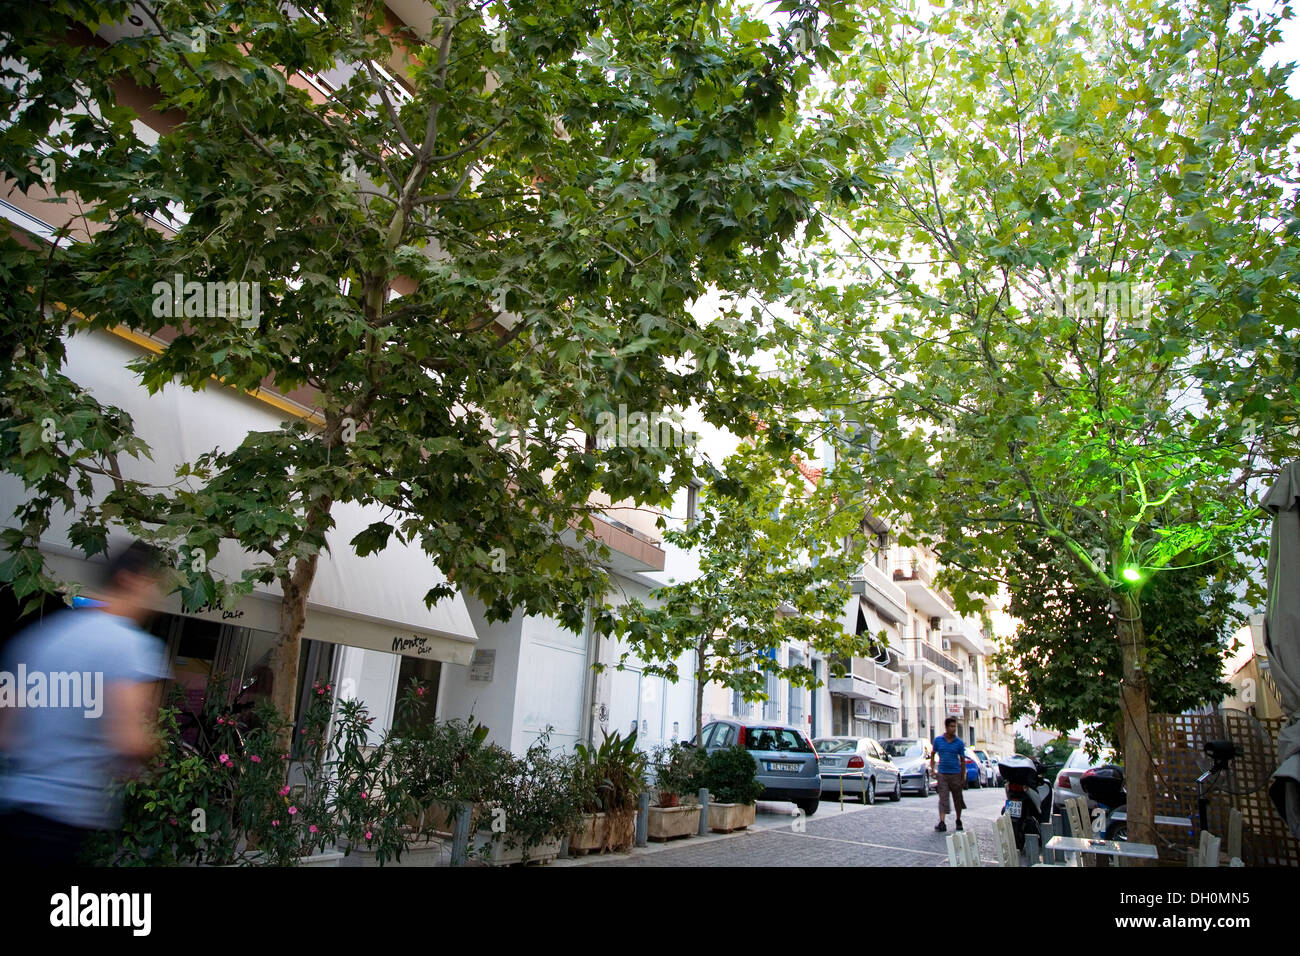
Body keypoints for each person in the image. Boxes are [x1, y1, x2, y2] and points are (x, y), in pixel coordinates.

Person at [0, 541, 171, 865]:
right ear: (130, 580)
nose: (155, 599)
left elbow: (6, 732)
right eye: (153, 586)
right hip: (62, 819)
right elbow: (129, 739)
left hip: (15, 804)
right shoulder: (128, 646)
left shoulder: (42, 639)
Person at [931, 716, 967, 832]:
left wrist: (963, 776)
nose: (953, 728)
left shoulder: (959, 743)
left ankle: (958, 820)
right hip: (942, 774)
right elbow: (933, 753)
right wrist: (932, 769)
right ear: (946, 727)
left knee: (957, 798)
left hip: (955, 774)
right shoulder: (938, 740)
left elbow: (962, 760)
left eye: (955, 726)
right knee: (943, 798)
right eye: (951, 726)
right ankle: (942, 822)